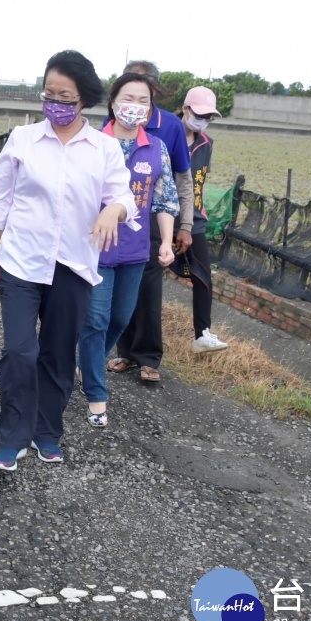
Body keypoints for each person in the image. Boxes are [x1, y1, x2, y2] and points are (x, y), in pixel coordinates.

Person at [0, 51, 136, 471]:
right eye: (48, 93)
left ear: (83, 98)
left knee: (57, 353)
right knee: (19, 351)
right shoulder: (23, 139)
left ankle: (47, 432)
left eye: (64, 95)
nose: (55, 102)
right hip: (20, 260)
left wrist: (113, 210)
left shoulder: (104, 148)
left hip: (74, 265)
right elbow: (0, 195)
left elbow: (124, 197)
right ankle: (11, 437)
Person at [77, 72, 179, 427]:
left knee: (120, 320)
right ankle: (96, 393)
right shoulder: (90, 142)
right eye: (129, 98)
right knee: (96, 320)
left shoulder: (156, 148)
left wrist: (166, 242)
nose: (135, 107)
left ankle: (86, 364)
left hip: (136, 252)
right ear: (113, 102)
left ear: (151, 110)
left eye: (144, 102)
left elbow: (165, 200)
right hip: (96, 249)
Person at [110, 59, 195, 384]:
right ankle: (125, 352)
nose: (133, 104)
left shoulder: (170, 126)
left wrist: (183, 225)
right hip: (111, 229)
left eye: (141, 94)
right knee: (118, 297)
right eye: (126, 94)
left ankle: (148, 357)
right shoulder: (112, 122)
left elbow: (180, 181)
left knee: (147, 293)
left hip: (151, 225)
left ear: (153, 92)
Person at [172, 86, 230, 354]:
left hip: (193, 219)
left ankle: (202, 334)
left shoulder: (206, 144)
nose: (203, 120)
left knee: (203, 275)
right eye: (199, 113)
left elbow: (200, 182)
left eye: (209, 116)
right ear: (185, 109)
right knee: (144, 278)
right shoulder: (166, 135)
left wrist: (199, 211)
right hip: (161, 216)